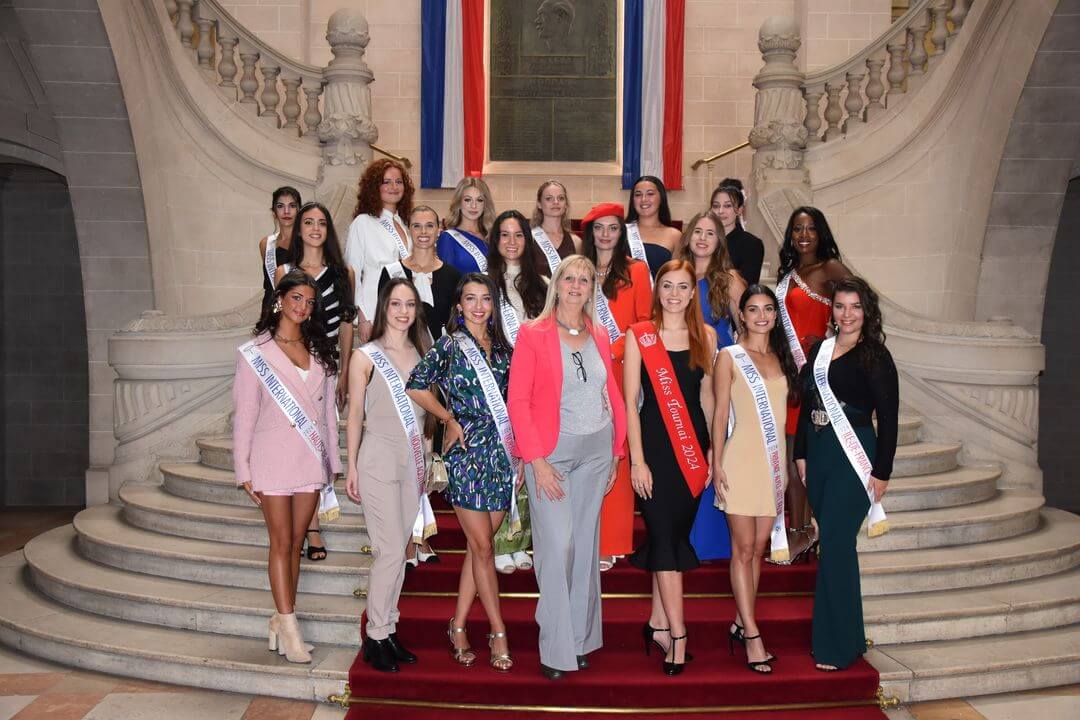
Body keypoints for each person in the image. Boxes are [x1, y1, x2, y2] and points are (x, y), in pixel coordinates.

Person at [507, 255, 626, 680]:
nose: (576, 285)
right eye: (569, 278)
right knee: (558, 549)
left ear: (593, 287)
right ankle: (555, 647)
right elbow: (517, 401)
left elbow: (609, 391)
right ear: (557, 284)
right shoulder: (533, 333)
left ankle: (579, 639)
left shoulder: (597, 332)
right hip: (550, 456)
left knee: (585, 549)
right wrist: (535, 460)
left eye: (585, 279)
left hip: (596, 452)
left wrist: (615, 450)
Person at [405, 274, 517, 673]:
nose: (478, 306)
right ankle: (497, 630)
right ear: (458, 305)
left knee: (477, 550)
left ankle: (456, 625)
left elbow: (517, 399)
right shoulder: (449, 347)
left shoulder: (505, 349)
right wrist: (447, 418)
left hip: (502, 455)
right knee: (485, 548)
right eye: (470, 299)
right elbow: (415, 386)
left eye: (485, 299)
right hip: (467, 454)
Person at [232, 269, 341, 664]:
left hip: (309, 458)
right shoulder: (255, 352)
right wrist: (243, 470)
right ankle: (291, 626)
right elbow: (244, 414)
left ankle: (280, 619)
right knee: (280, 541)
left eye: (309, 302)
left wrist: (333, 459)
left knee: (297, 542)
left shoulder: (320, 351)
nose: (303, 307)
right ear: (280, 299)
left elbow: (328, 414)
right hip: (271, 457)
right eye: (296, 298)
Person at [794, 277, 898, 671]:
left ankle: (834, 646)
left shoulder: (875, 355)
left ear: (866, 311)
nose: (847, 314)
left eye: (855, 306)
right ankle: (851, 636)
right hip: (819, 455)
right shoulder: (820, 349)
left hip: (855, 457)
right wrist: (801, 453)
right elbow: (808, 404)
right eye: (840, 306)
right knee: (839, 549)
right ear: (832, 310)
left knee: (835, 546)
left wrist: (883, 471)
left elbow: (889, 418)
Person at [624, 259, 717, 676]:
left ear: (692, 293)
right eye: (668, 286)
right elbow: (630, 403)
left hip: (693, 451)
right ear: (657, 290)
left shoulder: (707, 336)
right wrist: (637, 461)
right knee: (663, 540)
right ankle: (679, 636)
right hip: (656, 452)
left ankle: (658, 623)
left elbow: (709, 399)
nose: (675, 294)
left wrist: (713, 450)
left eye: (683, 287)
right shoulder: (639, 337)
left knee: (673, 538)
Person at [344, 278, 431, 673]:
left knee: (402, 553)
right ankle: (375, 635)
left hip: (411, 462)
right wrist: (352, 465)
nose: (402, 311)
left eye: (409, 304)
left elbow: (426, 412)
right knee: (389, 550)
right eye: (395, 303)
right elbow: (356, 415)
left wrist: (428, 456)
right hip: (376, 459)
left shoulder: (421, 351)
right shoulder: (365, 356)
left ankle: (388, 628)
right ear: (384, 308)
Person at [713, 284, 799, 674]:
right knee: (742, 548)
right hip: (740, 460)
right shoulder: (729, 357)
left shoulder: (783, 359)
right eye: (753, 309)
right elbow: (718, 415)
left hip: (773, 462)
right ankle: (751, 633)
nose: (761, 315)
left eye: (768, 308)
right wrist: (716, 464)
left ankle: (739, 618)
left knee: (760, 547)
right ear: (742, 315)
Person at [276, 202, 356, 561]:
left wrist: (346, 369)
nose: (314, 228)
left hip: (328, 365)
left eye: (321, 223)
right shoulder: (285, 271)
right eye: (308, 222)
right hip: (291, 367)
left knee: (320, 441)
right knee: (295, 441)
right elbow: (275, 320)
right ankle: (305, 525)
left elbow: (346, 324)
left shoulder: (343, 273)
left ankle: (311, 523)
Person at [776, 206, 852, 562]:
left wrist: (829, 340)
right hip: (791, 375)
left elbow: (858, 304)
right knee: (792, 456)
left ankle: (812, 528)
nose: (803, 235)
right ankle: (799, 530)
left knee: (812, 456)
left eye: (810, 228)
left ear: (821, 233)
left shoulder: (830, 268)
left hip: (819, 375)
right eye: (797, 229)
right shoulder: (790, 273)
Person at [580, 202, 652, 571]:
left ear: (621, 233)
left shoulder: (636, 271)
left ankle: (612, 538)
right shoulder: (580, 270)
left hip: (622, 367)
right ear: (590, 232)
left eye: (612, 228)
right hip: (581, 369)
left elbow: (643, 322)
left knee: (616, 449)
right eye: (598, 228)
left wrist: (617, 348)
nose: (605, 234)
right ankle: (585, 534)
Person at [678, 211, 745, 561]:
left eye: (711, 233)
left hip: (719, 374)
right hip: (681, 374)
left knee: (713, 445)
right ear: (688, 235)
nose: (703, 238)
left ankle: (712, 537)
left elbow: (748, 326)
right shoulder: (676, 275)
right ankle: (684, 532)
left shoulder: (729, 279)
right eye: (697, 231)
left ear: (720, 241)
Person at [486, 210, 549, 573]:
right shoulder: (484, 282)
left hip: (533, 386)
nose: (511, 242)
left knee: (527, 459)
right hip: (495, 383)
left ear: (527, 241)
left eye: (518, 235)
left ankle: (520, 539)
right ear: (495, 242)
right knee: (501, 463)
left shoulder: (541, 283)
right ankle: (497, 543)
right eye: (504, 235)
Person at [345, 158, 414, 343]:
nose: (394, 186)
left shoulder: (406, 225)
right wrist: (363, 316)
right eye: (387, 182)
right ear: (374, 186)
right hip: (374, 309)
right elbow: (352, 273)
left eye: (399, 182)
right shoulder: (363, 223)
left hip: (403, 311)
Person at [379, 205, 462, 345]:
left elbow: (455, 325)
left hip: (441, 357)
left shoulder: (452, 276)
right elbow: (383, 321)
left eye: (429, 226)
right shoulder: (390, 273)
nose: (423, 231)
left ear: (439, 230)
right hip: (400, 356)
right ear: (409, 230)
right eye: (417, 226)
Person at [710, 179, 765, 285]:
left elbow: (748, 287)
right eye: (716, 206)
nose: (720, 211)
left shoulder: (751, 244)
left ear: (739, 210)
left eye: (727, 206)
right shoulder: (703, 239)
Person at [625, 175, 682, 276]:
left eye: (650, 194)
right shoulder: (622, 231)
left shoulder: (675, 236)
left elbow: (677, 277)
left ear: (661, 198)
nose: (643, 199)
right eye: (638, 195)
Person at [437, 177, 495, 274]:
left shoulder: (492, 236)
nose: (473, 206)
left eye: (479, 200)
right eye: (468, 200)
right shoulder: (448, 238)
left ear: (485, 204)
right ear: (459, 203)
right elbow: (446, 280)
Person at [259, 186, 300, 307]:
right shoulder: (266, 244)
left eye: (292, 206)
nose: (286, 211)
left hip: (298, 311)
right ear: (274, 213)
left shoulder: (308, 243)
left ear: (299, 211)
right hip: (271, 311)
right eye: (280, 206)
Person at [530, 180, 582, 270]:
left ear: (566, 205)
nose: (556, 202)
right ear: (539, 204)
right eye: (549, 198)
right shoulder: (530, 238)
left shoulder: (576, 242)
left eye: (561, 198)